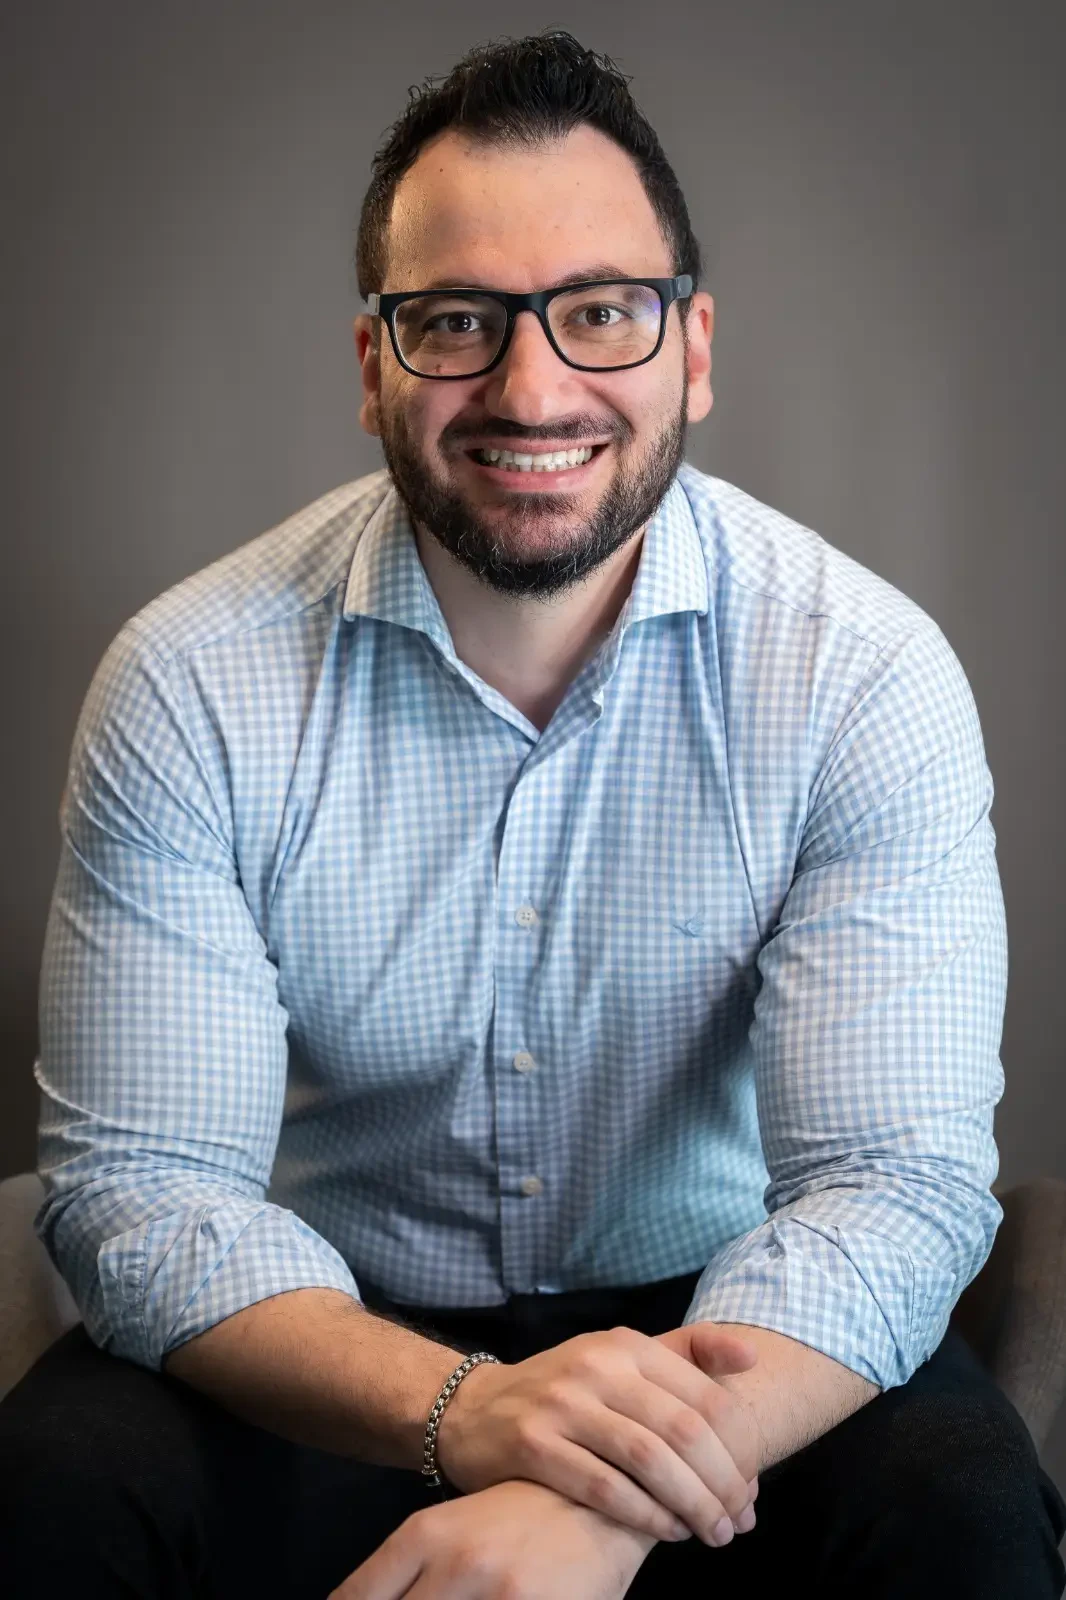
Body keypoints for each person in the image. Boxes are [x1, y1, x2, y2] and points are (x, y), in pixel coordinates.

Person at [1, 27, 1063, 1600]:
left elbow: (892, 1186)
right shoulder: (190, 682)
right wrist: (475, 1415)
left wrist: (598, 1493)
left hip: (727, 1331)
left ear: (691, 348)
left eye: (599, 314)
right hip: (330, 1342)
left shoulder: (862, 674)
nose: (531, 384)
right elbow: (142, 1194)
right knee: (49, 1494)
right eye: (453, 321)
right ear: (372, 367)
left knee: (960, 1509)